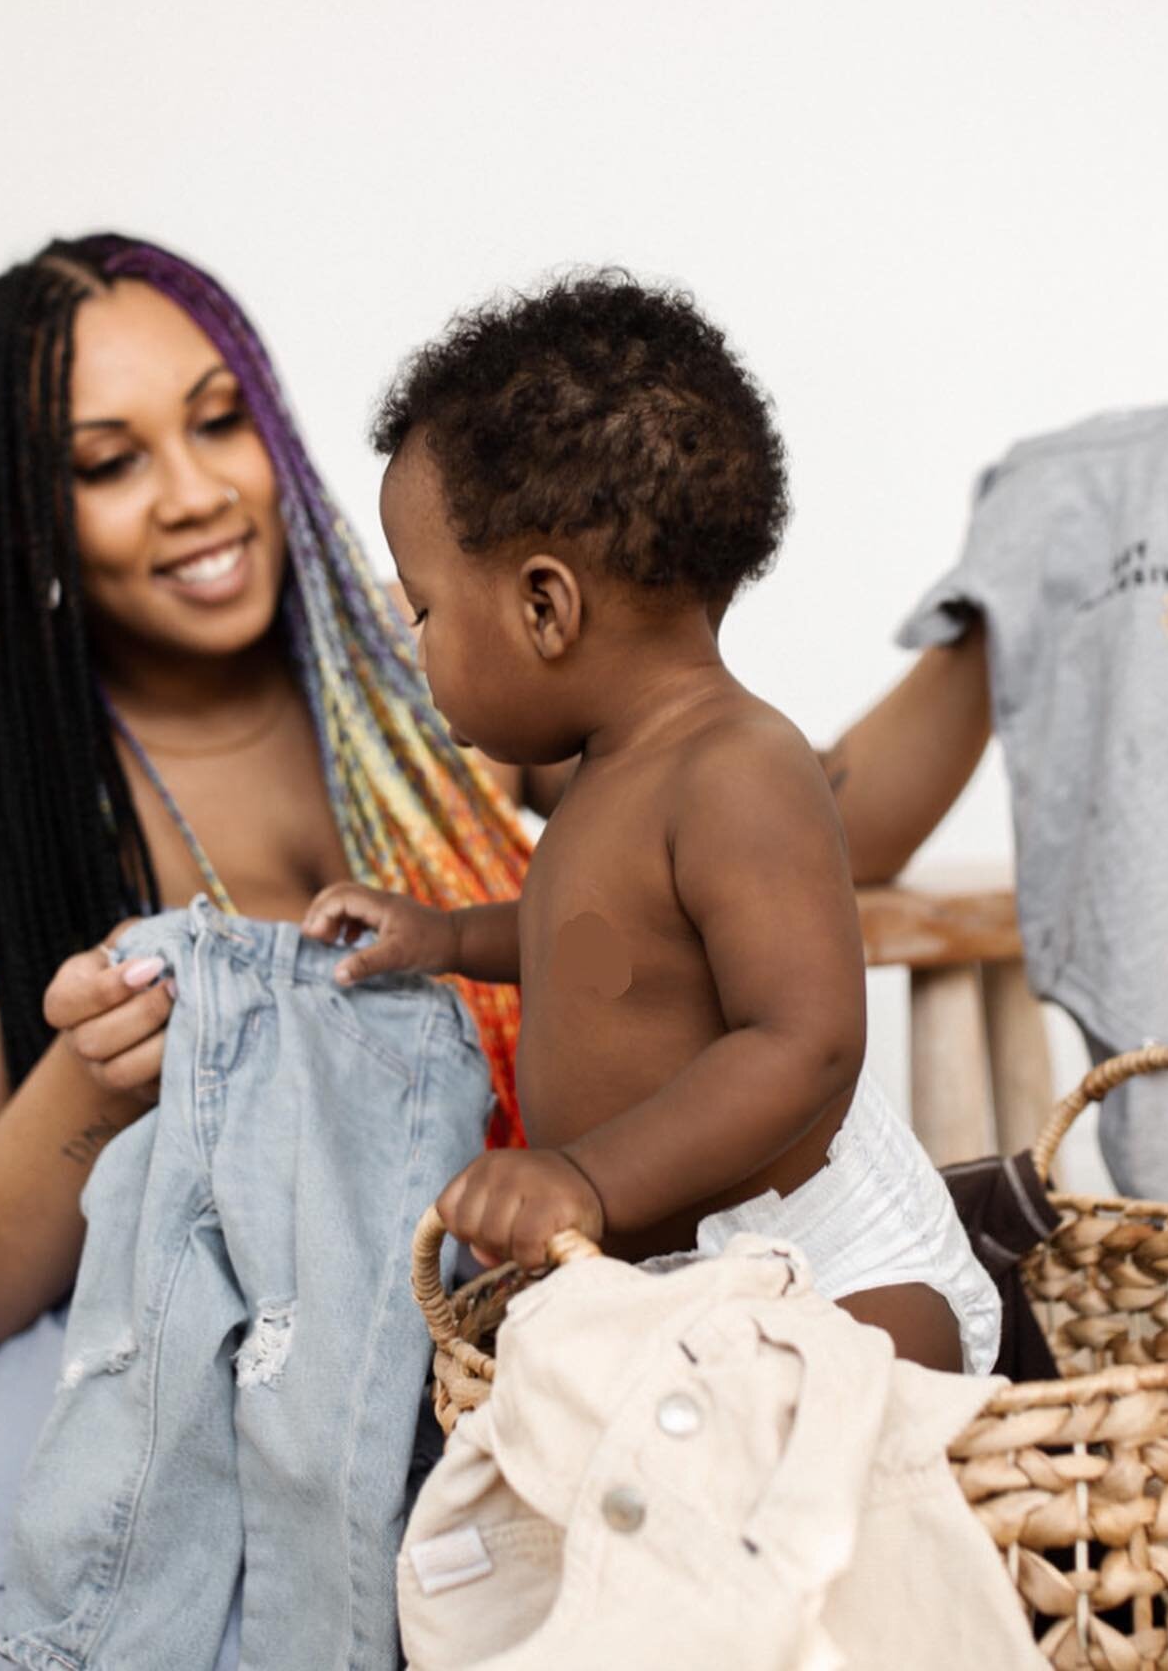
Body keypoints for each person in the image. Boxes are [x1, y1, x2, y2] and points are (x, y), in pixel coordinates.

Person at [0, 234, 531, 1667]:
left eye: (221, 422)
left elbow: (742, 815)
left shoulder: (446, 690)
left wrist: (986, 621)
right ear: (26, 515)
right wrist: (90, 1093)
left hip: (456, 1459)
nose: (197, 490)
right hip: (104, 1524)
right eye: (110, 462)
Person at [303, 272, 1002, 1377]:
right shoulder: (608, 774)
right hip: (674, 1280)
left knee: (842, 1419)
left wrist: (589, 1176)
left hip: (828, 1260)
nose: (413, 644)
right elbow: (589, 948)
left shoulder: (738, 769)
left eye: (426, 609)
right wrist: (443, 941)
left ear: (545, 607)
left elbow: (804, 1041)